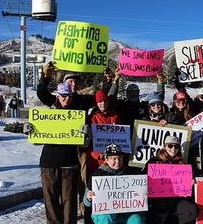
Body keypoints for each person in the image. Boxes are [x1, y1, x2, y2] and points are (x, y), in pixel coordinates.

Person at [37, 83, 81, 224]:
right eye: (63, 96)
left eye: (69, 96)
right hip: (49, 161)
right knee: (50, 199)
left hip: (69, 163)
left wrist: (85, 133)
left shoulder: (77, 113)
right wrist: (32, 130)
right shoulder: (50, 111)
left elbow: (84, 139)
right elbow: (41, 93)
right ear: (58, 96)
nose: (66, 99)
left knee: (69, 200)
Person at [81, 90, 121, 224]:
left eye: (104, 101)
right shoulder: (91, 117)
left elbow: (122, 137)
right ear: (96, 103)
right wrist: (98, 154)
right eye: (100, 101)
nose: (102, 103)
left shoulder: (115, 115)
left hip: (113, 162)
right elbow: (87, 144)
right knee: (92, 195)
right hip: (96, 163)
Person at [83, 143, 144, 224]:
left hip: (124, 212)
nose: (117, 161)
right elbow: (86, 203)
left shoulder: (130, 173)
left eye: (120, 158)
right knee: (107, 216)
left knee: (137, 219)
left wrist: (143, 193)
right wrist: (89, 197)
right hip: (105, 214)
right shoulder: (98, 175)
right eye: (114, 159)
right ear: (106, 160)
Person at [143, 136, 197, 224]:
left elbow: (187, 184)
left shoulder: (182, 164)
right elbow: (143, 179)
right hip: (158, 203)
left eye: (176, 146)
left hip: (175, 201)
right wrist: (145, 189)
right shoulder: (154, 162)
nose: (173, 149)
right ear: (164, 146)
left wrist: (190, 184)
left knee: (192, 211)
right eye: (170, 146)